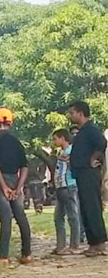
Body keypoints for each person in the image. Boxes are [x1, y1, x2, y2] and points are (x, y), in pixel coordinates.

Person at [0, 107, 32, 264]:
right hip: (16, 178)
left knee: (6, 216)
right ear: (10, 124)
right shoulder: (16, 142)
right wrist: (19, 187)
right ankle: (27, 254)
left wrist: (4, 186)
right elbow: (25, 166)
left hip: (1, 180)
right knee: (20, 215)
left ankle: (3, 255)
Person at [67, 100, 107, 256]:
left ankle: (99, 242)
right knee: (85, 207)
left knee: (92, 207)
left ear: (80, 113)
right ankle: (93, 242)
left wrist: (94, 158)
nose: (70, 116)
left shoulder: (91, 129)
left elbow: (102, 143)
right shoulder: (82, 131)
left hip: (89, 173)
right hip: (81, 173)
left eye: (72, 113)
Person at [51, 129, 81, 255]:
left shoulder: (71, 151)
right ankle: (61, 245)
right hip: (60, 187)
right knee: (58, 217)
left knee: (72, 216)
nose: (54, 141)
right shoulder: (62, 152)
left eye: (55, 139)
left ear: (62, 138)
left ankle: (74, 244)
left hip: (68, 186)